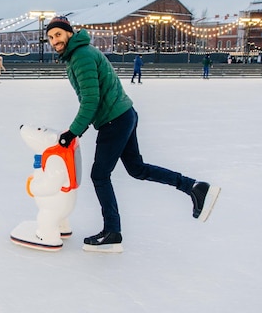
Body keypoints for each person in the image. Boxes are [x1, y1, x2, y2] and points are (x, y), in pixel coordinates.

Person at [45, 16, 220, 252]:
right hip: (124, 114)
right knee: (137, 169)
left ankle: (112, 232)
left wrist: (73, 132)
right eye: (50, 37)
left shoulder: (81, 56)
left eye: (58, 34)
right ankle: (194, 187)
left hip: (113, 120)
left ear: (69, 33)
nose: (54, 40)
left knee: (99, 175)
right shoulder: (79, 54)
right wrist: (76, 128)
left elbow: (91, 100)